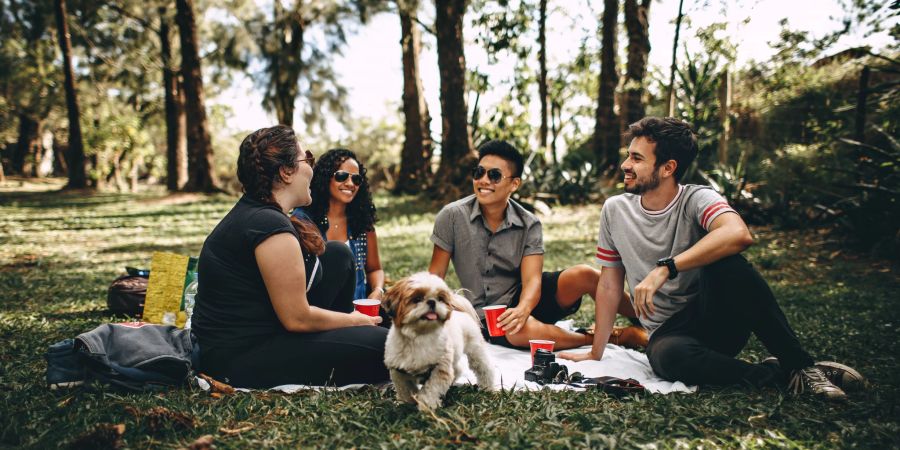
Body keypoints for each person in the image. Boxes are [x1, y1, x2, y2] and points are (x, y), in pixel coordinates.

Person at [560, 117, 864, 400]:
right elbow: (610, 286)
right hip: (669, 335)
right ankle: (779, 374)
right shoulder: (615, 210)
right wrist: (595, 351)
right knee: (666, 358)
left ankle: (801, 365)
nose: (626, 164)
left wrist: (667, 267)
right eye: (629, 155)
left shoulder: (697, 198)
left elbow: (738, 234)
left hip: (717, 319)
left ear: (668, 168)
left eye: (637, 158)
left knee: (729, 264)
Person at [192, 125, 389, 388]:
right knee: (390, 347)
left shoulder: (261, 213)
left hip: (267, 329)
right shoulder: (268, 226)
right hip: (241, 356)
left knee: (337, 254)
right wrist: (356, 320)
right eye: (306, 158)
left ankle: (351, 336)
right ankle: (355, 336)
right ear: (286, 172)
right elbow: (297, 318)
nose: (312, 167)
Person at [428, 139, 647, 350]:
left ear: (514, 184)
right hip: (486, 315)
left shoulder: (529, 223)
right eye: (479, 173)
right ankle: (613, 337)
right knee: (519, 331)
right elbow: (435, 275)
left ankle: (648, 322)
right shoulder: (452, 216)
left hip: (526, 298)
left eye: (494, 175)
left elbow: (532, 280)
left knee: (585, 274)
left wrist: (523, 309)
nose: (483, 180)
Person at [293, 148, 385, 301]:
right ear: (325, 178)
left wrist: (378, 291)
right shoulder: (303, 221)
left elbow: (375, 269)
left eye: (356, 179)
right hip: (320, 313)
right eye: (342, 176)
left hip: (360, 313)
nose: (350, 184)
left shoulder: (361, 222)